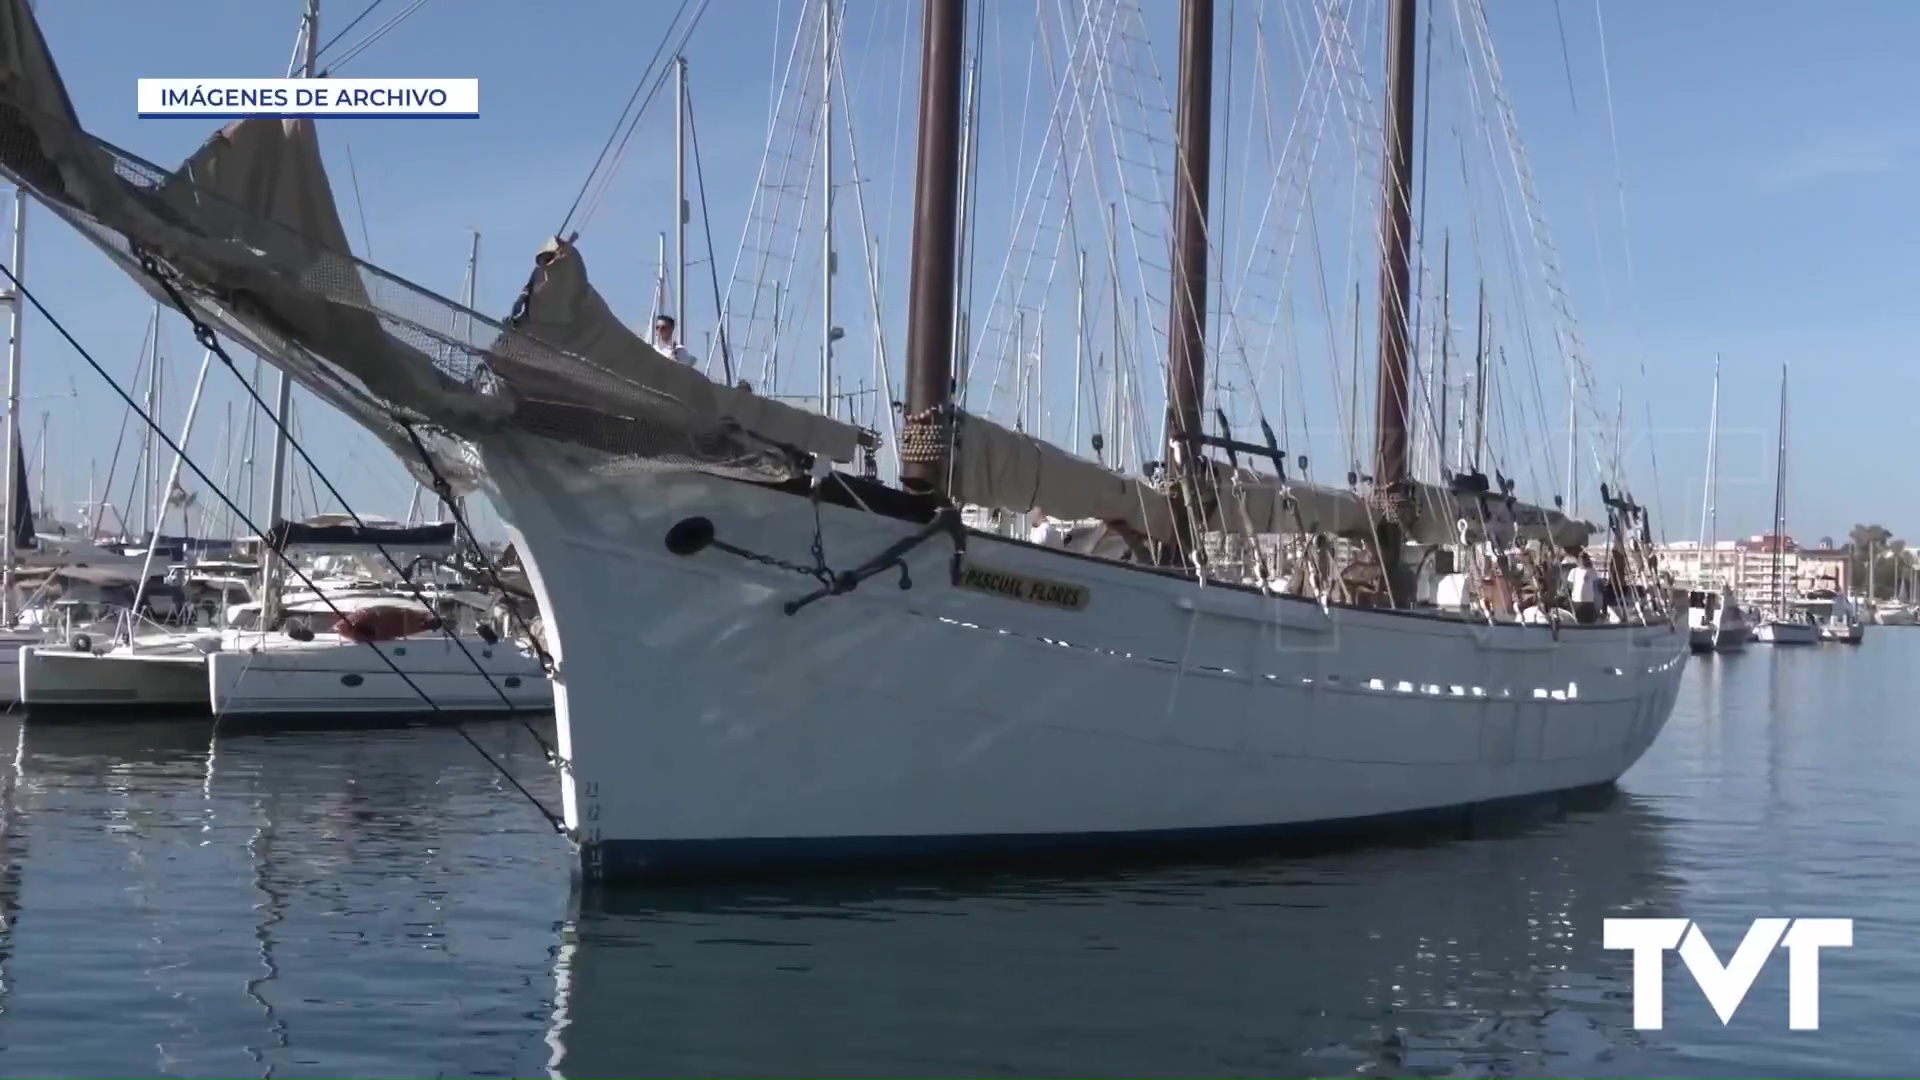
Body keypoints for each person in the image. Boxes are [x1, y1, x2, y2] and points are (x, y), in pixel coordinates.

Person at [1568, 551, 1600, 624]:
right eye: (1580, 558)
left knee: (1589, 622)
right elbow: (1570, 585)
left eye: (1584, 558)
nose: (1582, 560)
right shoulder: (1573, 571)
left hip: (1589, 601)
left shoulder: (1592, 571)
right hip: (1576, 601)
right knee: (1577, 622)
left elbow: (1595, 587)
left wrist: (1596, 601)